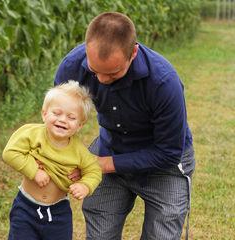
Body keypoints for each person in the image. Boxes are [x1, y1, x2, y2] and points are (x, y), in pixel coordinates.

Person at [54, 12, 195, 240]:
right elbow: (57, 121)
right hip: (111, 146)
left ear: (134, 53)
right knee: (100, 234)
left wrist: (102, 164)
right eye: (94, 69)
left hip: (164, 164)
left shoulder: (163, 82)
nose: (101, 79)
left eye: (112, 72)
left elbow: (169, 152)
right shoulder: (72, 67)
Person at [2, 80, 102, 240]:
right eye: (57, 113)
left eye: (71, 117)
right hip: (26, 207)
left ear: (80, 125)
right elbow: (10, 152)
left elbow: (94, 170)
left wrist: (85, 185)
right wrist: (34, 171)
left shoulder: (79, 151)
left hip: (58, 212)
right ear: (44, 114)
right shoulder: (31, 134)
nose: (62, 120)